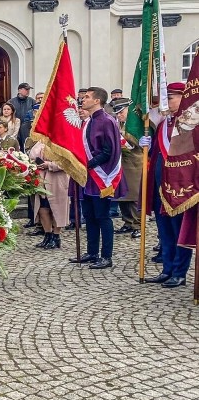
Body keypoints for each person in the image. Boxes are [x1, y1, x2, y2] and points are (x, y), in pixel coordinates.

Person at [68, 87, 126, 269]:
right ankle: (92, 252)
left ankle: (106, 256)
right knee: (89, 215)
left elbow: (109, 152)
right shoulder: (88, 122)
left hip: (101, 176)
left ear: (97, 101)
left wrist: (87, 165)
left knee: (102, 216)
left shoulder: (107, 121)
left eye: (87, 97)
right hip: (87, 177)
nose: (82, 99)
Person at [142, 82, 193, 287]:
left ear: (183, 98)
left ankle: (180, 272)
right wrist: (146, 143)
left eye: (170, 97)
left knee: (180, 231)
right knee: (165, 232)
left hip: (179, 187)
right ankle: (168, 268)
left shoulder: (189, 124)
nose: (166, 101)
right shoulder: (164, 123)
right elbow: (158, 153)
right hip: (159, 186)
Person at [28, 141, 70, 249]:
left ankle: (56, 236)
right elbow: (32, 156)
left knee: (57, 209)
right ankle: (48, 235)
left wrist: (50, 165)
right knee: (42, 209)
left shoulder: (63, 140)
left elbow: (67, 163)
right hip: (42, 180)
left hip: (57, 180)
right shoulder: (40, 141)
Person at [111, 98, 142, 238]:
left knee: (134, 197)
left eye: (121, 112)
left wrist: (122, 136)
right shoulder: (118, 123)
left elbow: (138, 142)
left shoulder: (135, 124)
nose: (119, 115)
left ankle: (138, 224)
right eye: (117, 113)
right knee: (122, 196)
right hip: (121, 164)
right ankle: (127, 222)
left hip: (134, 164)